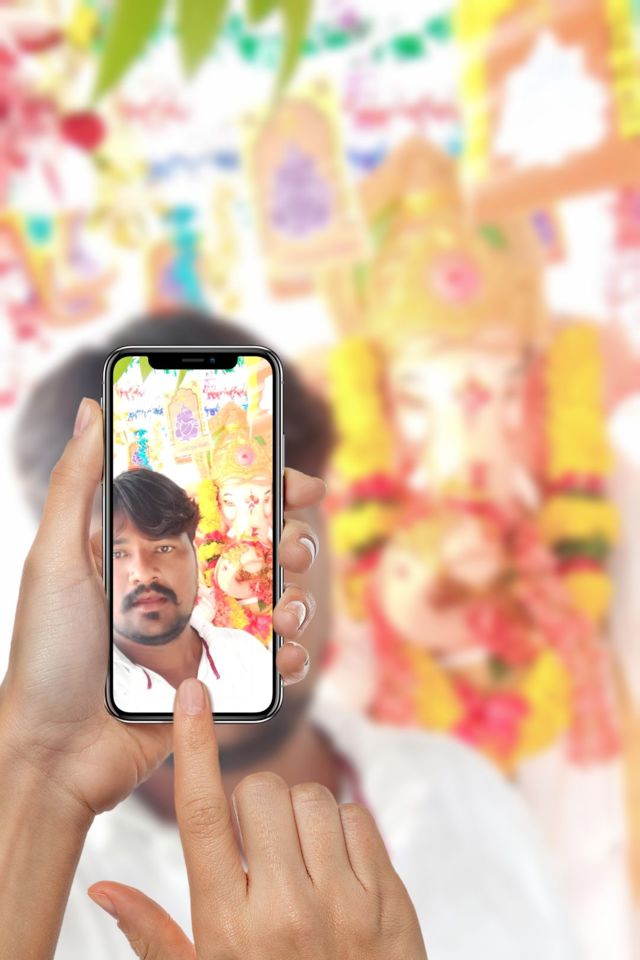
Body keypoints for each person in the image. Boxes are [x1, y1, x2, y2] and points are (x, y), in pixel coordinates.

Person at [8, 310, 579, 959]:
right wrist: (41, 766)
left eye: (266, 520)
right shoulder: (42, 859)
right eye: (117, 549)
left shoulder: (463, 788)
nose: (146, 573)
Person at [111, 469, 270, 714]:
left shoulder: (248, 656)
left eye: (164, 548)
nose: (143, 573)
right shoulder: (86, 688)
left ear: (195, 555)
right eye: (118, 553)